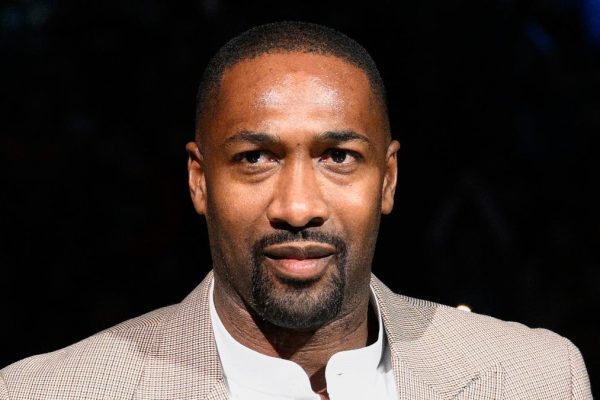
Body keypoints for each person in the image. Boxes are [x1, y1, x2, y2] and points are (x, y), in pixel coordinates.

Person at [0, 21, 592, 400]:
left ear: (387, 179)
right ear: (199, 180)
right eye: (255, 158)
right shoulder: (45, 392)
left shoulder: (536, 378)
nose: (299, 207)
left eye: (338, 157)